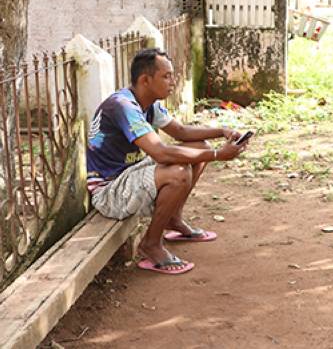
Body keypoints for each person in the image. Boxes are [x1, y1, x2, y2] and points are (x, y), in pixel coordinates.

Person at [87, 48, 249, 275]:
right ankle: (151, 245)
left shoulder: (148, 103)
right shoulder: (123, 106)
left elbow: (181, 131)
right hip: (109, 191)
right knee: (177, 173)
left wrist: (221, 131)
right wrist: (217, 155)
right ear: (146, 79)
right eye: (167, 76)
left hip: (130, 173)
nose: (173, 81)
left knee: (199, 147)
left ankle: (173, 219)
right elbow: (161, 153)